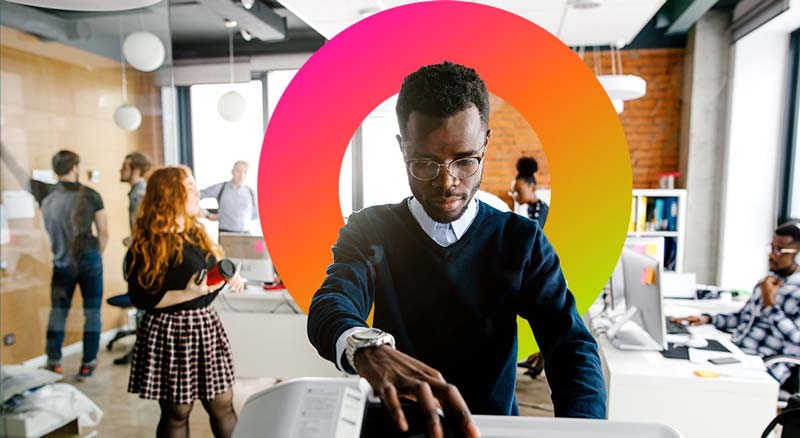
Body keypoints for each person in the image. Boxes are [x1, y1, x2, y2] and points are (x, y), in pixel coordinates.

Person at [307, 61, 606, 438]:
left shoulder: (521, 241)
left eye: (465, 161)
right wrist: (366, 349)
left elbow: (571, 347)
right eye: (424, 163)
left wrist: (584, 431)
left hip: (491, 429)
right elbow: (332, 303)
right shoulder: (371, 230)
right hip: (397, 429)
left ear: (485, 142)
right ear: (403, 148)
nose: (447, 183)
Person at [126, 166, 245, 438]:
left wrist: (227, 277)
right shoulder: (147, 243)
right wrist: (189, 294)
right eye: (189, 187)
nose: (196, 193)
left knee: (223, 403)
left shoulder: (197, 234)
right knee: (177, 412)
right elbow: (141, 298)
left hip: (205, 326)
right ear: (170, 195)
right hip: (170, 332)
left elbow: (208, 279)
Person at [672, 222, 800, 386]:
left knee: (697, 382)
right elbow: (742, 317)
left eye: (779, 250)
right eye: (771, 248)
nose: (772, 255)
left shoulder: (796, 292)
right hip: (738, 353)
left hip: (765, 365)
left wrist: (770, 304)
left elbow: (797, 339)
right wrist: (708, 319)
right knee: (682, 359)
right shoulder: (767, 281)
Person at [41, 150, 108, 379]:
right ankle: (88, 362)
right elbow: (104, 232)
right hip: (88, 258)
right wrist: (97, 256)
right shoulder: (91, 194)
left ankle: (54, 362)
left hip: (61, 261)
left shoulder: (46, 194)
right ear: (75, 167)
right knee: (92, 312)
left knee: (58, 313)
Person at [199, 161, 258, 233]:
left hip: (246, 234)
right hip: (225, 233)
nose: (241, 175)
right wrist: (206, 214)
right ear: (232, 171)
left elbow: (256, 214)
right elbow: (193, 198)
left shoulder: (251, 192)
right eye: (238, 171)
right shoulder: (220, 188)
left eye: (245, 172)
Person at [120, 151, 152, 245]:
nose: (121, 170)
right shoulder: (136, 193)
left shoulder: (139, 195)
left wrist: (133, 240)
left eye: (125, 168)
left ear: (136, 171)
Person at [510, 156, 549, 228]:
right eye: (514, 192)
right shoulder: (531, 208)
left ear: (532, 188)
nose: (516, 196)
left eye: (519, 191)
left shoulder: (539, 210)